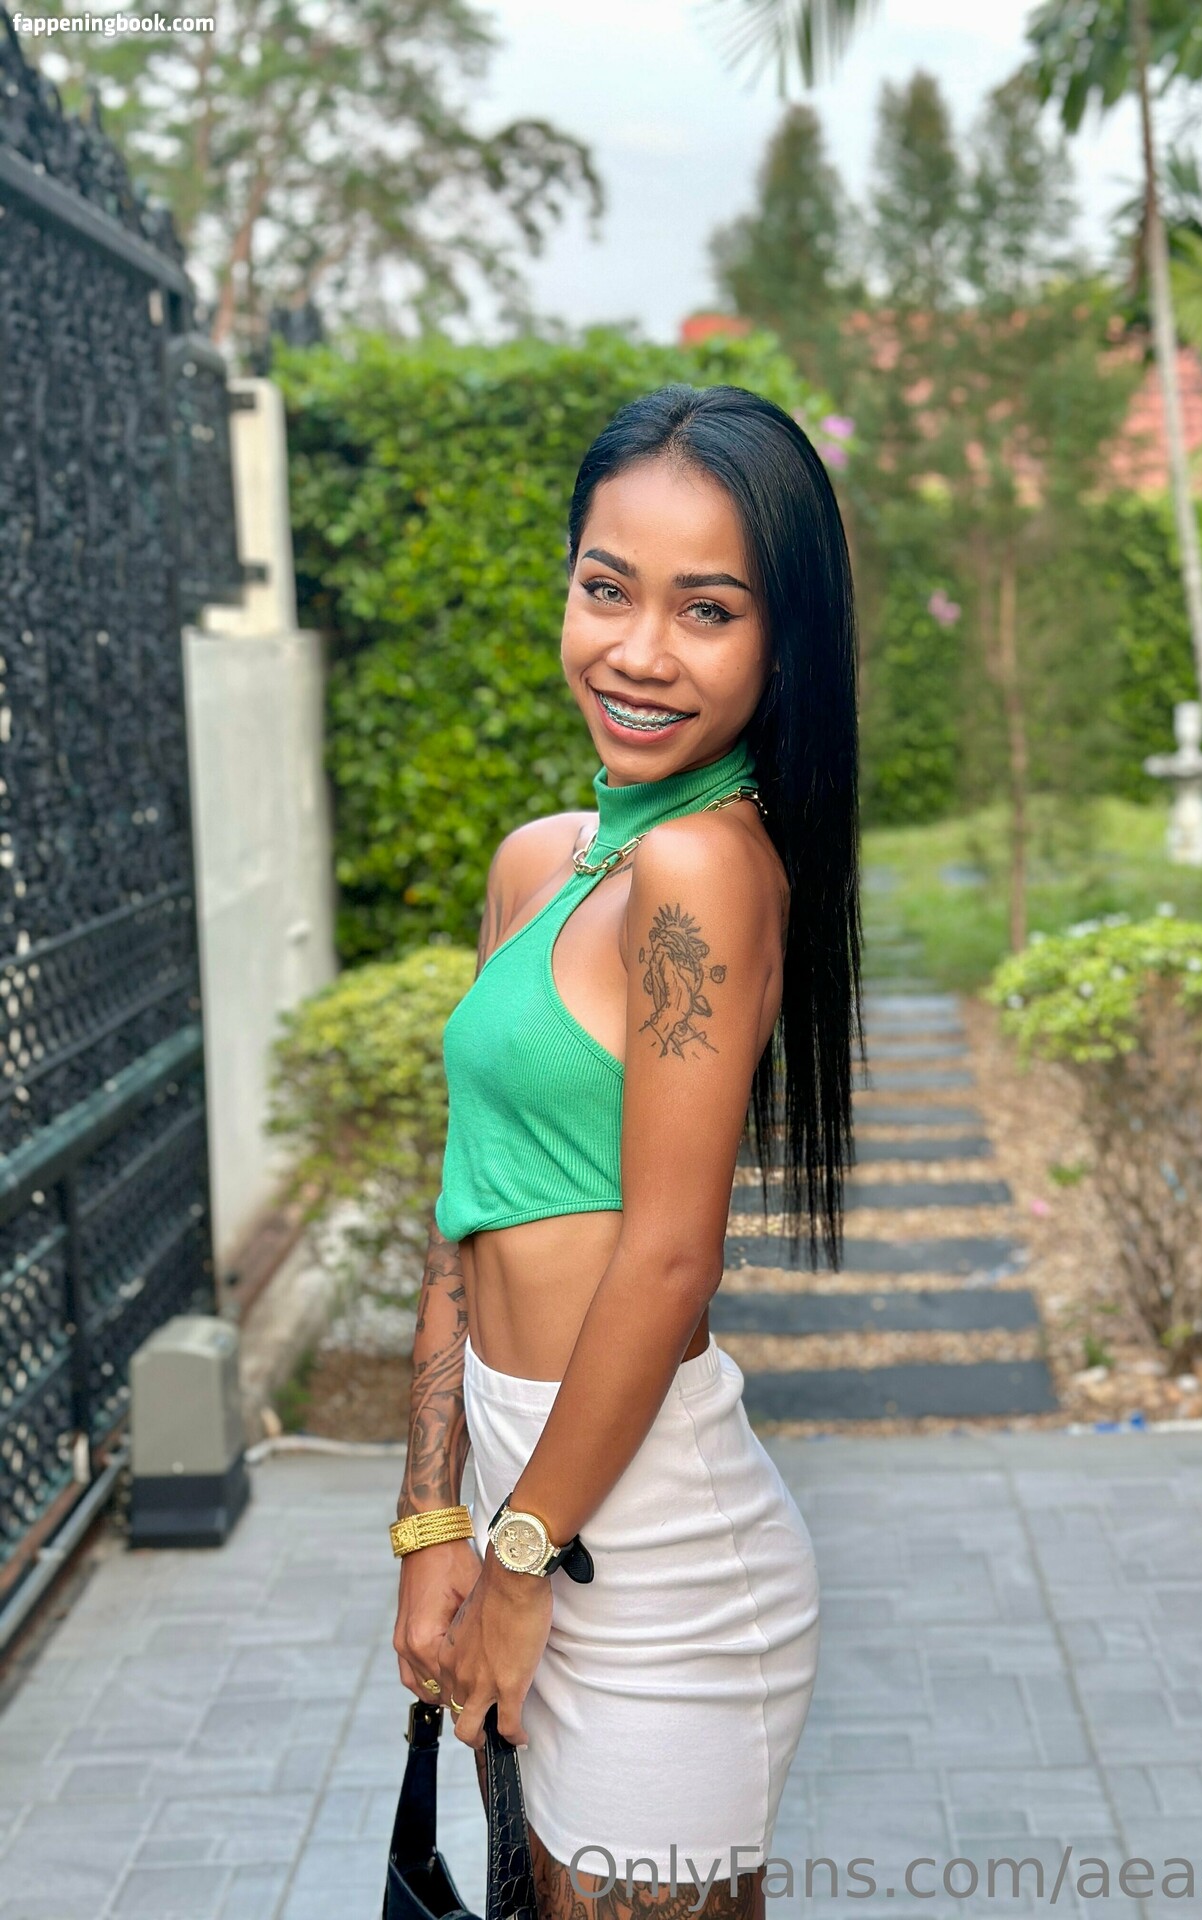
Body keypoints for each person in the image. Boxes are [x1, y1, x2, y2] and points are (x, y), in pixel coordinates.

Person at [390, 382, 862, 1919]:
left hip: (648, 1561)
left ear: (782, 644)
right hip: (525, 1516)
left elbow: (667, 1260)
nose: (640, 651)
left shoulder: (704, 873)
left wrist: (521, 1565)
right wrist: (434, 1523)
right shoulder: (542, 863)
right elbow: (462, 1214)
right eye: (608, 589)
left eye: (706, 610)